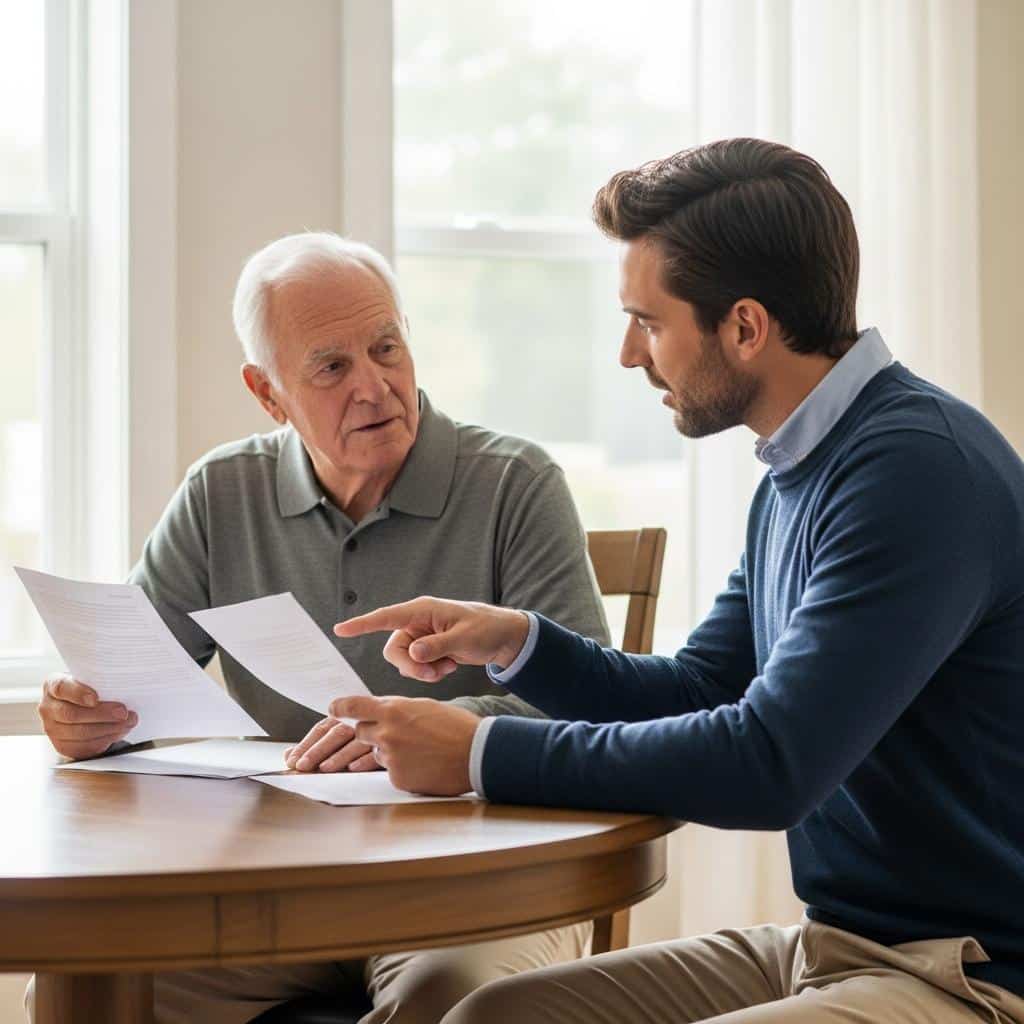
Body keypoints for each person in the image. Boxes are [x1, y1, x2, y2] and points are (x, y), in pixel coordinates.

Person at [331, 139, 1024, 1024]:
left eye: (649, 322)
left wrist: (474, 755)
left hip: (969, 975)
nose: (630, 354)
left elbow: (769, 764)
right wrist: (517, 642)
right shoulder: (801, 467)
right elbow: (700, 688)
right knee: (489, 1017)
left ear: (744, 326)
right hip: (838, 946)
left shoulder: (916, 472)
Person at [32, 232, 609, 1024]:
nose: (374, 387)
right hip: (278, 884)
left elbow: (594, 708)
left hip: (476, 879)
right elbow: (133, 687)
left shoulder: (517, 484)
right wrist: (87, 717)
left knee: (449, 998)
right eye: (333, 367)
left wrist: (439, 732)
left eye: (386, 348)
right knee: (79, 988)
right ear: (268, 394)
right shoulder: (220, 494)